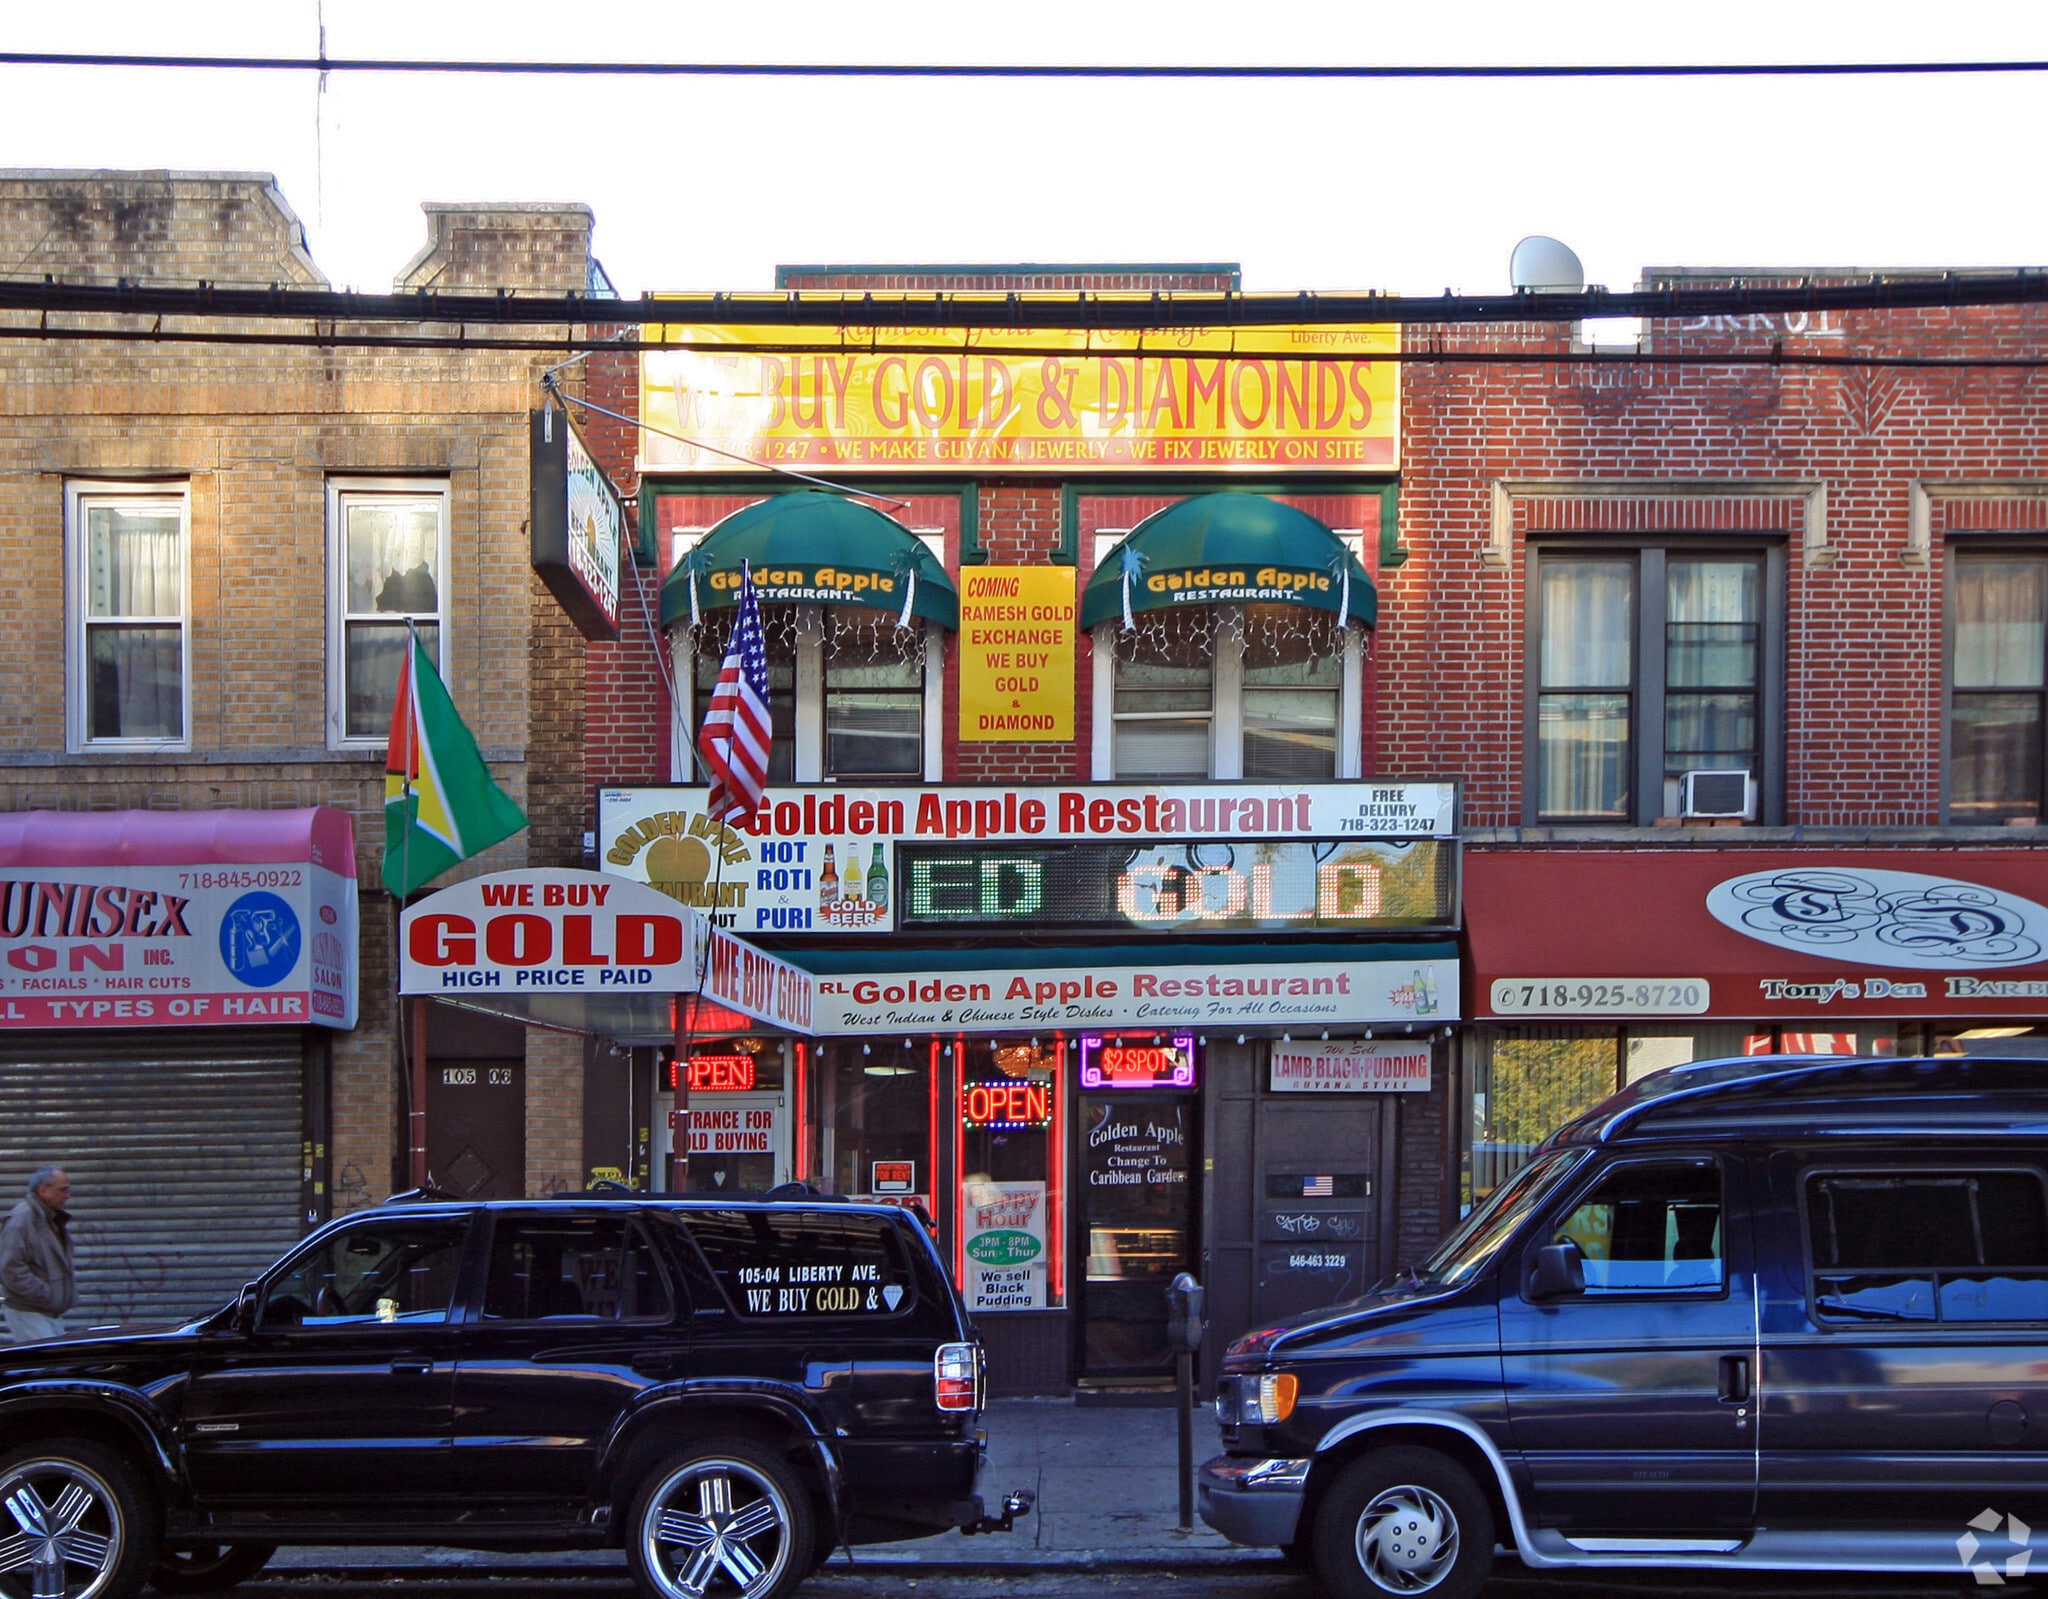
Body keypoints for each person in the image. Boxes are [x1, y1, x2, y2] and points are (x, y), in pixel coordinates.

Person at [0, 1166, 75, 1343]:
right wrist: (46, 1294)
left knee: (56, 1365)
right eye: (62, 1190)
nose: (67, 1196)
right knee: (48, 1366)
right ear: (43, 1190)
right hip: (30, 1312)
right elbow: (10, 1269)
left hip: (48, 1312)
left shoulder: (49, 1219)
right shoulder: (22, 1220)